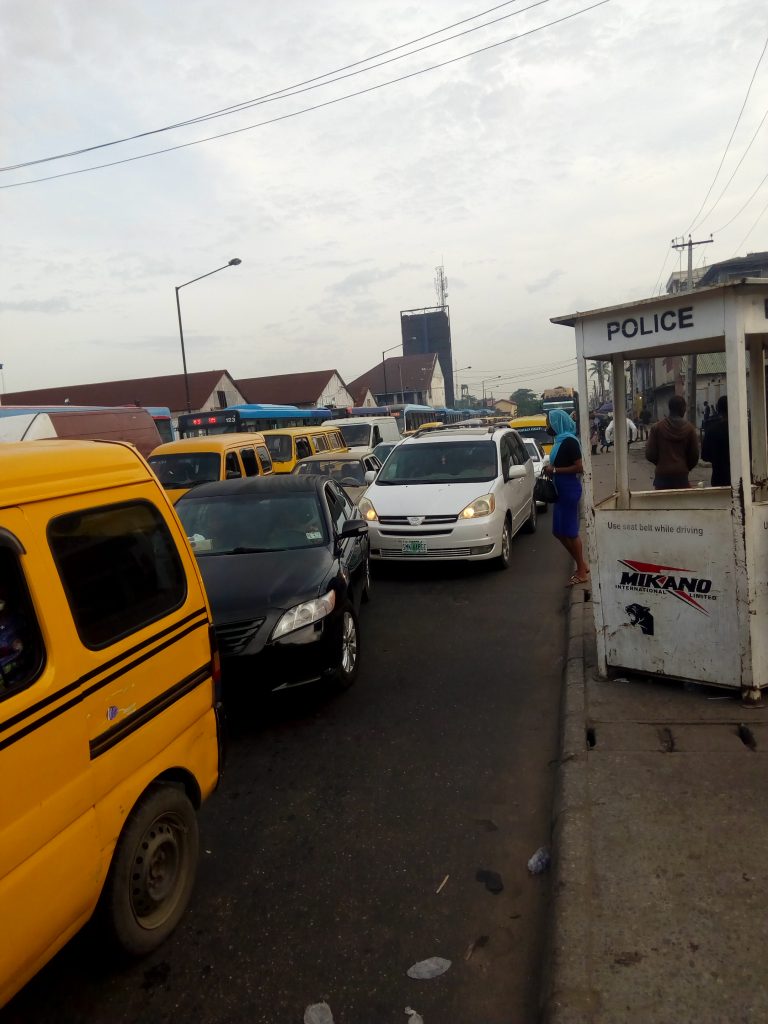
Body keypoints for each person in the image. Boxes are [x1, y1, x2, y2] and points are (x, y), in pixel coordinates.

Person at [542, 409, 590, 586]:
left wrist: (554, 470)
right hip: (560, 490)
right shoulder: (560, 440)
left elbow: (579, 467)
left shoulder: (570, 441)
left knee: (570, 531)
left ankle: (581, 571)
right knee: (558, 531)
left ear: (558, 423)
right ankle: (582, 564)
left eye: (550, 423)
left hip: (569, 489)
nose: (549, 427)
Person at [645, 394, 700, 489]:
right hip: (681, 476)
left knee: (663, 503)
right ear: (683, 409)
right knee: (682, 503)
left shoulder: (657, 428)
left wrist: (661, 463)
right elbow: (694, 455)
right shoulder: (690, 429)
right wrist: (684, 466)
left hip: (662, 476)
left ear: (669, 408)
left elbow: (650, 454)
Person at [701, 395, 730, 486]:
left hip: (719, 477)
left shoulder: (712, 429)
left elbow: (705, 456)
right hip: (743, 478)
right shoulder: (745, 429)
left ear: (718, 409)